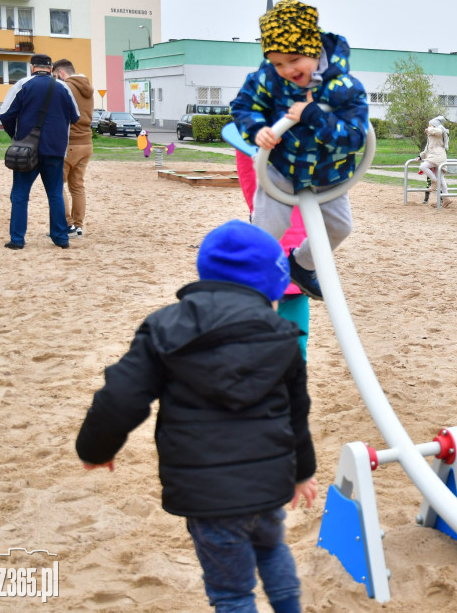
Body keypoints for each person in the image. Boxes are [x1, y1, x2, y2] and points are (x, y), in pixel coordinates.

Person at [75, 220, 317, 613]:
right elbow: (297, 417)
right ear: (272, 286)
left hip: (208, 495)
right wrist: (302, 473)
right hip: (267, 485)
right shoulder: (283, 335)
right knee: (271, 550)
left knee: (233, 593)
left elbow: (121, 397)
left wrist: (95, 449)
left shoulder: (165, 326)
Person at [231, 0, 369, 301]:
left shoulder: (345, 88)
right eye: (277, 62)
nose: (286, 69)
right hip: (282, 169)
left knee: (340, 228)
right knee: (268, 228)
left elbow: (356, 138)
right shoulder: (269, 78)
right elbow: (243, 106)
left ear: (313, 48)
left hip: (328, 174)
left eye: (293, 60)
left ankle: (301, 265)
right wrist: (257, 130)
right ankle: (250, 283)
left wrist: (312, 115)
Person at [235, 146, 311, 359]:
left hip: (295, 288)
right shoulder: (259, 201)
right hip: (263, 288)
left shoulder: (307, 202)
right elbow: (247, 171)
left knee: (297, 349)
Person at [0, 53, 79, 250]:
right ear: (51, 69)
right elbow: (75, 116)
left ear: (32, 67)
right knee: (55, 193)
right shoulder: (63, 88)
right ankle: (60, 237)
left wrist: (16, 136)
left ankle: (17, 239)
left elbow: (5, 114)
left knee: (20, 194)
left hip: (26, 149)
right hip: (55, 149)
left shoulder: (22, 85)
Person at [53, 59, 94, 238]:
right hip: (86, 143)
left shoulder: (65, 88)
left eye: (55, 76)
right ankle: (78, 226)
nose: (55, 79)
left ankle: (66, 224)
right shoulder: (88, 89)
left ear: (61, 73)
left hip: (70, 143)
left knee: (56, 184)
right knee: (77, 186)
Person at [417, 116, 450, 197]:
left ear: (435, 125)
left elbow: (440, 131)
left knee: (423, 166)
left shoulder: (439, 131)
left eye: (430, 125)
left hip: (438, 156)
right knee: (441, 179)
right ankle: (446, 199)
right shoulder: (431, 136)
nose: (428, 127)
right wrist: (420, 156)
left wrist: (429, 129)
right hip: (435, 156)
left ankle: (434, 181)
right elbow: (427, 149)